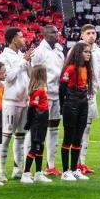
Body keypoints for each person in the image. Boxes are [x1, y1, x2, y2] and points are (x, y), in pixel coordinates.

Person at [0, 27, 33, 182]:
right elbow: (8, 78)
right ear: (13, 39)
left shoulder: (20, 55)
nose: (24, 39)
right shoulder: (4, 56)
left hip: (24, 100)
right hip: (10, 102)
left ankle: (18, 170)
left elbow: (30, 77)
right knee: (5, 137)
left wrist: (28, 63)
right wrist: (23, 61)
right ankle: (1, 171)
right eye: (21, 36)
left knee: (20, 137)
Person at [30, 25, 65, 176]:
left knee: (54, 130)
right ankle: (28, 167)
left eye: (57, 32)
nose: (56, 34)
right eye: (53, 32)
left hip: (56, 95)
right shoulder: (38, 52)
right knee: (37, 131)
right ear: (44, 34)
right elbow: (32, 73)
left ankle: (50, 165)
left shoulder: (59, 51)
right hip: (43, 95)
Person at [58, 42, 93, 181]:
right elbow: (62, 89)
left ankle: (74, 169)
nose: (88, 54)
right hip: (71, 103)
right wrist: (62, 106)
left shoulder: (86, 68)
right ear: (78, 53)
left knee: (78, 138)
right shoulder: (70, 69)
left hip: (83, 103)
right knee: (68, 137)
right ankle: (66, 171)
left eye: (89, 52)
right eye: (85, 52)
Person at [78, 24, 100, 175]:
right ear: (82, 35)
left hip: (91, 95)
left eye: (93, 33)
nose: (91, 35)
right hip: (78, 96)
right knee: (78, 130)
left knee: (87, 129)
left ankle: (82, 162)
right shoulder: (76, 50)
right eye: (88, 33)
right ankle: (75, 163)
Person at [21, 65, 52, 184]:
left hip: (43, 120)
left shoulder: (42, 89)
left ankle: (38, 173)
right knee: (35, 146)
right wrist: (29, 123)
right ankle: (26, 173)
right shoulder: (38, 91)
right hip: (38, 121)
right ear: (42, 75)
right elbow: (32, 108)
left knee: (41, 145)